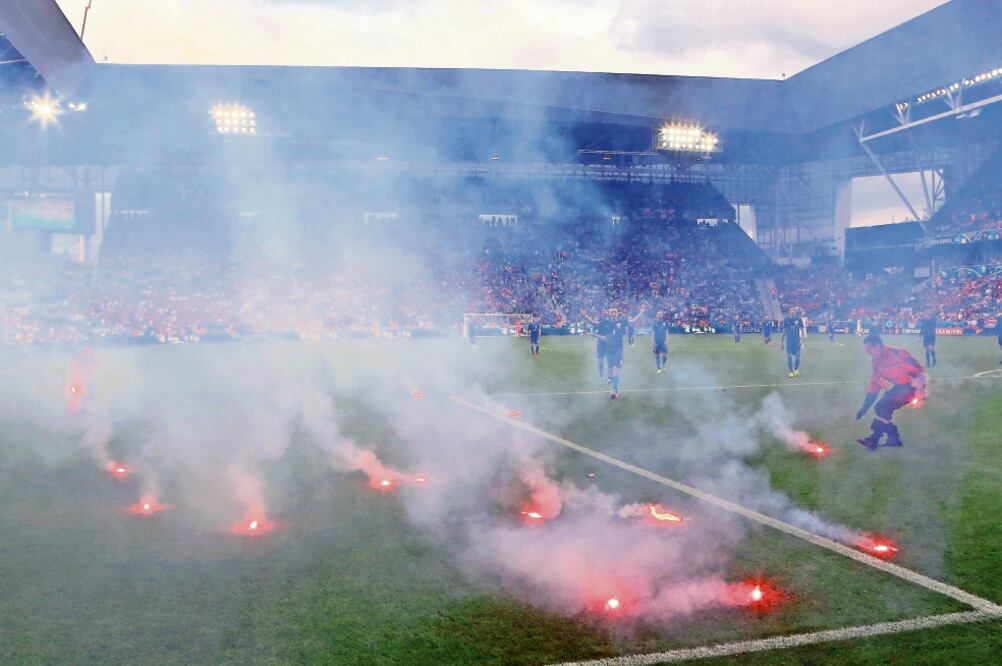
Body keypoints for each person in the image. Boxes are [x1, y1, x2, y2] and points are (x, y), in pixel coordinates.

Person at [855, 333, 927, 449]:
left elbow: (919, 370)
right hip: (901, 387)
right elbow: (875, 384)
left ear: (878, 346)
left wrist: (920, 390)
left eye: (869, 348)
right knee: (883, 407)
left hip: (912, 386)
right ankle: (893, 439)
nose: (867, 352)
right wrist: (865, 406)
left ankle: (874, 439)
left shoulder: (898, 354)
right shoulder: (876, 362)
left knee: (882, 406)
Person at [581, 308, 609, 381]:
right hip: (601, 345)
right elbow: (593, 326)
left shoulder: (611, 321)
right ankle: (601, 375)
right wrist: (591, 334)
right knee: (601, 362)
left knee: (610, 361)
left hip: (610, 344)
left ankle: (611, 376)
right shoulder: (600, 321)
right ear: (602, 312)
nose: (605, 312)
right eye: (603, 311)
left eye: (606, 311)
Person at [780, 306, 805, 378]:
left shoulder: (798, 319)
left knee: (797, 357)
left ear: (795, 311)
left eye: (793, 310)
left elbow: (802, 329)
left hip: (797, 341)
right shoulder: (786, 319)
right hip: (789, 342)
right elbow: (784, 331)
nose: (792, 311)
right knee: (789, 357)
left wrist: (802, 339)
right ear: (789, 311)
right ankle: (791, 372)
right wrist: (781, 343)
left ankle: (796, 369)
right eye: (791, 310)